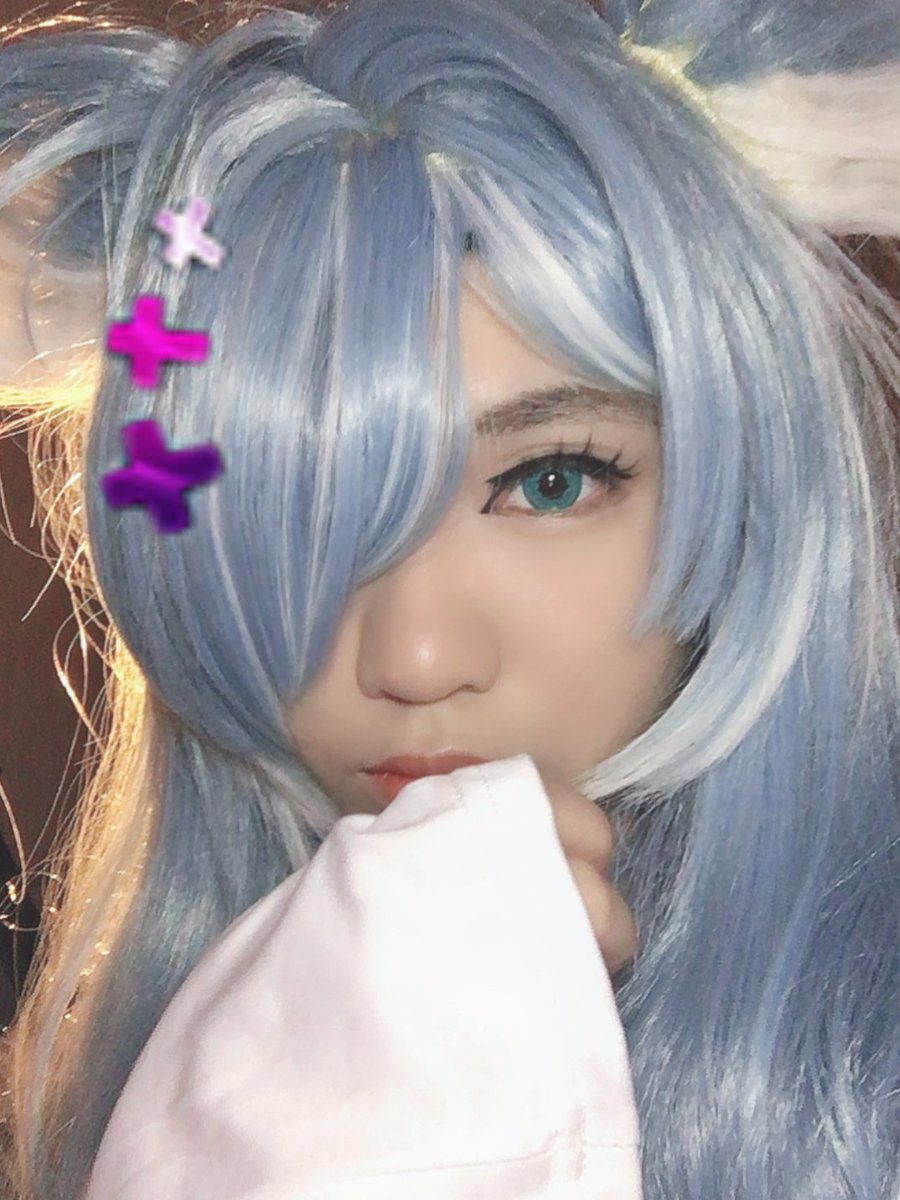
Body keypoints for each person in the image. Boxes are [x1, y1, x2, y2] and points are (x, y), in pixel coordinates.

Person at [0, 0, 898, 1196]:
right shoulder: (125, 1086)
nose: (415, 659)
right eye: (301, 506)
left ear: (751, 490)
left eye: (552, 481)